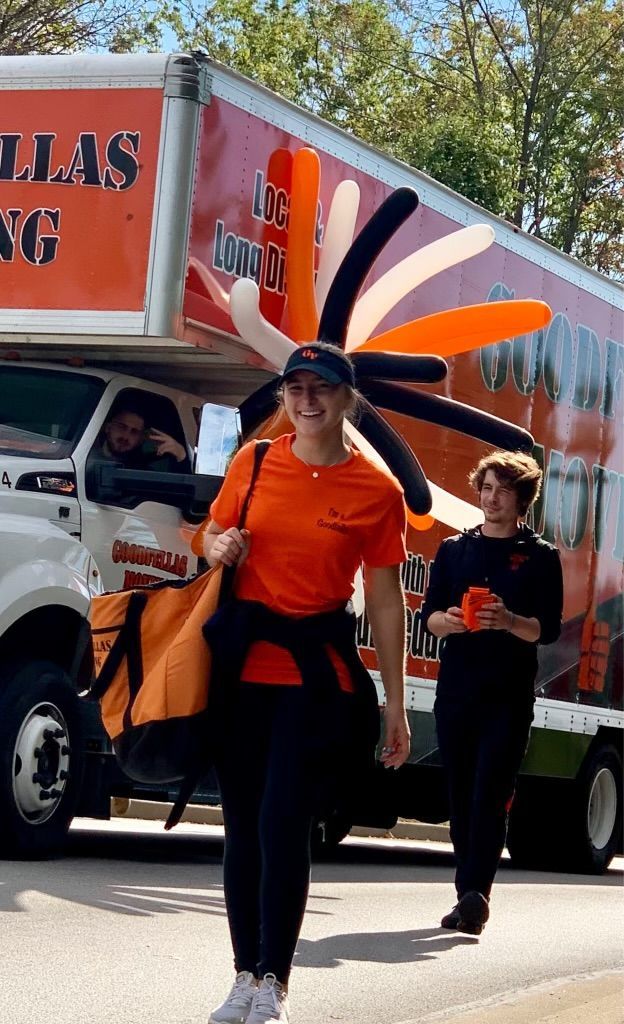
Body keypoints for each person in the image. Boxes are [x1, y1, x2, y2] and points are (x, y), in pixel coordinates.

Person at [203, 342, 410, 1024]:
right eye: (295, 387)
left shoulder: (377, 490)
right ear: (284, 396)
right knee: (241, 829)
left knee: (282, 823)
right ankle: (241, 975)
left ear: (347, 398)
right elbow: (213, 531)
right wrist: (219, 545)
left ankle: (275, 982)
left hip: (312, 678)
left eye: (321, 387)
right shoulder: (255, 461)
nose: (307, 399)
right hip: (242, 671)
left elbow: (384, 601)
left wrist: (396, 705)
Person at [422, 450, 563, 936]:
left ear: (522, 498)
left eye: (503, 489)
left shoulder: (541, 556)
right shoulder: (454, 550)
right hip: (457, 690)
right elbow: (431, 619)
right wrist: (455, 622)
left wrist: (507, 621)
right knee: (461, 796)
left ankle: (475, 892)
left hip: (508, 695)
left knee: (491, 792)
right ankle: (468, 895)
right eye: (486, 487)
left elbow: (545, 630)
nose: (492, 497)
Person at [95, 406, 190, 471]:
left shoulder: (143, 473)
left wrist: (181, 455)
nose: (126, 436)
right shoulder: (84, 454)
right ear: (108, 427)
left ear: (141, 439)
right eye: (122, 427)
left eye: (134, 431)